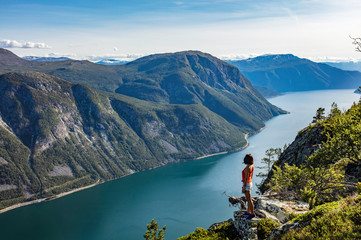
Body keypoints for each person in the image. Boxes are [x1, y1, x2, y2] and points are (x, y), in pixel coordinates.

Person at [242, 153, 255, 219]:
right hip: (250, 183)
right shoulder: (252, 166)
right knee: (248, 199)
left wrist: (244, 187)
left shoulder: (247, 168)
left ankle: (252, 214)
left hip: (246, 184)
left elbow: (246, 178)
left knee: (249, 200)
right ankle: (248, 211)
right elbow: (251, 176)